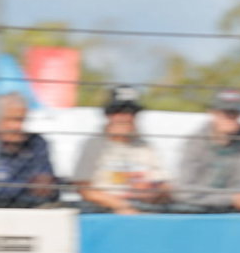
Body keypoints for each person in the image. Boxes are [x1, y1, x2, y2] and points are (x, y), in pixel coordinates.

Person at [73, 85, 171, 214]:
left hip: (144, 209)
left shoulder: (146, 147)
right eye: (118, 111)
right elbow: (84, 189)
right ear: (108, 115)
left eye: (131, 112)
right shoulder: (93, 145)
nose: (125, 117)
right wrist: (120, 206)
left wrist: (154, 192)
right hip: (103, 211)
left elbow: (164, 185)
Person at [174, 88, 240, 212]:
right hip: (191, 214)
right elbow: (185, 192)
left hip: (228, 216)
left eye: (235, 113)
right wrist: (230, 199)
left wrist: (233, 199)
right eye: (226, 112)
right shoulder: (194, 143)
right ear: (213, 113)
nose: (231, 118)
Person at [0, 91, 58, 208]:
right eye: (13, 120)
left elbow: (44, 188)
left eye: (22, 120)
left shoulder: (36, 143)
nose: (19, 127)